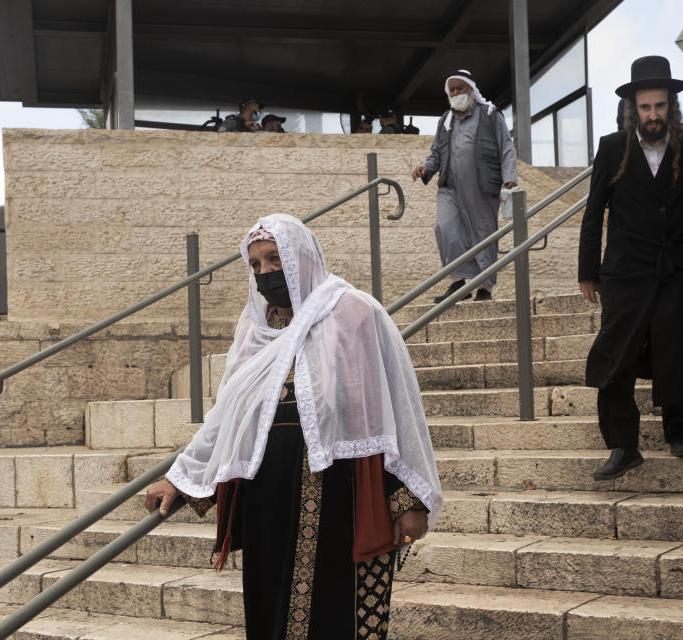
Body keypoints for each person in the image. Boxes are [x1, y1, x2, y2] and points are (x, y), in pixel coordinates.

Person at [144, 215, 442, 639]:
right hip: (268, 497)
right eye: (255, 265)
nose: (265, 272)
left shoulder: (355, 312)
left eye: (273, 259)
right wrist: (179, 478)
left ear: (299, 257)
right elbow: (227, 416)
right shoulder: (254, 328)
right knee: (270, 609)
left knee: (336, 613)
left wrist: (408, 500)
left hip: (342, 495)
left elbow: (393, 408)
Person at [578, 55, 683, 480]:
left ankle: (681, 433)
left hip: (681, 266)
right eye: (644, 107)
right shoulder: (612, 147)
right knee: (615, 356)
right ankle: (622, 444)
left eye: (660, 107)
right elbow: (593, 209)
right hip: (625, 269)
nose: (652, 115)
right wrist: (588, 270)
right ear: (631, 109)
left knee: (680, 348)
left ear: (671, 106)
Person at [412, 69, 518, 302]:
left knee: (483, 234)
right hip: (450, 187)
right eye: (452, 90)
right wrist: (425, 168)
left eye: (460, 88)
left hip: (481, 186)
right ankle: (458, 283)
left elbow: (507, 148)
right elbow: (436, 154)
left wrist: (510, 177)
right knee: (445, 228)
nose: (456, 93)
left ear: (471, 89)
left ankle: (485, 286)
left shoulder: (490, 114)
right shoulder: (446, 120)